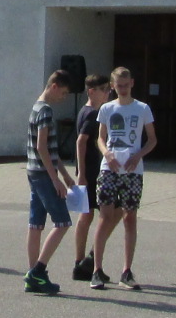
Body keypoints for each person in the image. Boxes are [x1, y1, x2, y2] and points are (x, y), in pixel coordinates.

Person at [91, 66, 156, 290]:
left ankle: (126, 271)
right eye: (119, 86)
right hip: (109, 168)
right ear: (112, 86)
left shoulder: (142, 108)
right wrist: (106, 153)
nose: (123, 89)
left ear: (132, 83)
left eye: (126, 85)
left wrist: (138, 155)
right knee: (105, 216)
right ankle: (97, 270)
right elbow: (100, 138)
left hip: (132, 170)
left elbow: (152, 139)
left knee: (130, 217)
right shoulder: (107, 108)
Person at [24, 69, 77, 294]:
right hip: (44, 174)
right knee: (63, 223)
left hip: (34, 172)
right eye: (63, 93)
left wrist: (64, 174)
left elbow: (50, 150)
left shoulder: (36, 107)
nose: (63, 97)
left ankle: (32, 275)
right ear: (54, 86)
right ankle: (38, 271)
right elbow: (42, 147)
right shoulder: (45, 111)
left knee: (36, 224)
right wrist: (56, 180)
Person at [70, 73, 112, 280]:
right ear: (92, 91)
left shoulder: (88, 111)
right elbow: (81, 142)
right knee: (102, 215)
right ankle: (84, 262)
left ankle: (83, 263)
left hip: (89, 171)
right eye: (104, 90)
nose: (107, 93)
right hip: (90, 172)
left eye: (108, 89)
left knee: (87, 215)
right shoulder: (91, 113)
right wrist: (82, 174)